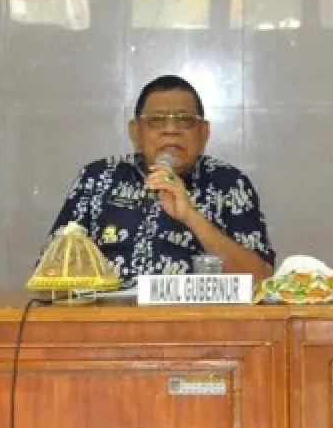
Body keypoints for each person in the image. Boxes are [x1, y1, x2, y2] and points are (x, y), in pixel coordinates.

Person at [47, 75, 275, 286]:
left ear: (203, 132)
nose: (171, 130)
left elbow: (261, 279)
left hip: (196, 316)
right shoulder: (98, 178)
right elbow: (50, 271)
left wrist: (191, 216)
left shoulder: (230, 184)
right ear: (135, 132)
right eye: (156, 120)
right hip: (108, 314)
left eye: (185, 120)